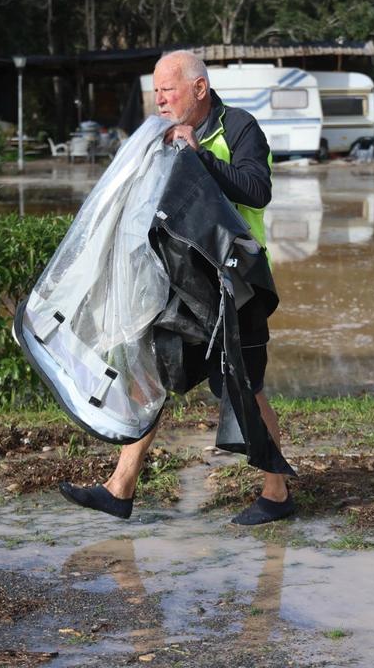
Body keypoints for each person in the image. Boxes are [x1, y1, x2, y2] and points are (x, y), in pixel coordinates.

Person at [58, 50, 293, 526]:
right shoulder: (157, 136)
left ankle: (277, 491)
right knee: (155, 374)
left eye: (168, 90)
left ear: (199, 90)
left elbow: (257, 190)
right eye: (157, 91)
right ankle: (119, 488)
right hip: (184, 282)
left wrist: (199, 154)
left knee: (245, 384)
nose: (160, 99)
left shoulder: (240, 128)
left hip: (236, 281)